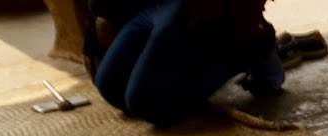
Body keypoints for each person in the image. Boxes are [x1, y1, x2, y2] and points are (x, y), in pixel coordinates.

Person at [76, 0, 283, 126]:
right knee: (110, 87)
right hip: (151, 5)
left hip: (194, 6)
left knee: (146, 105)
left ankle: (252, 50)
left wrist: (248, 23)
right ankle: (188, 55)